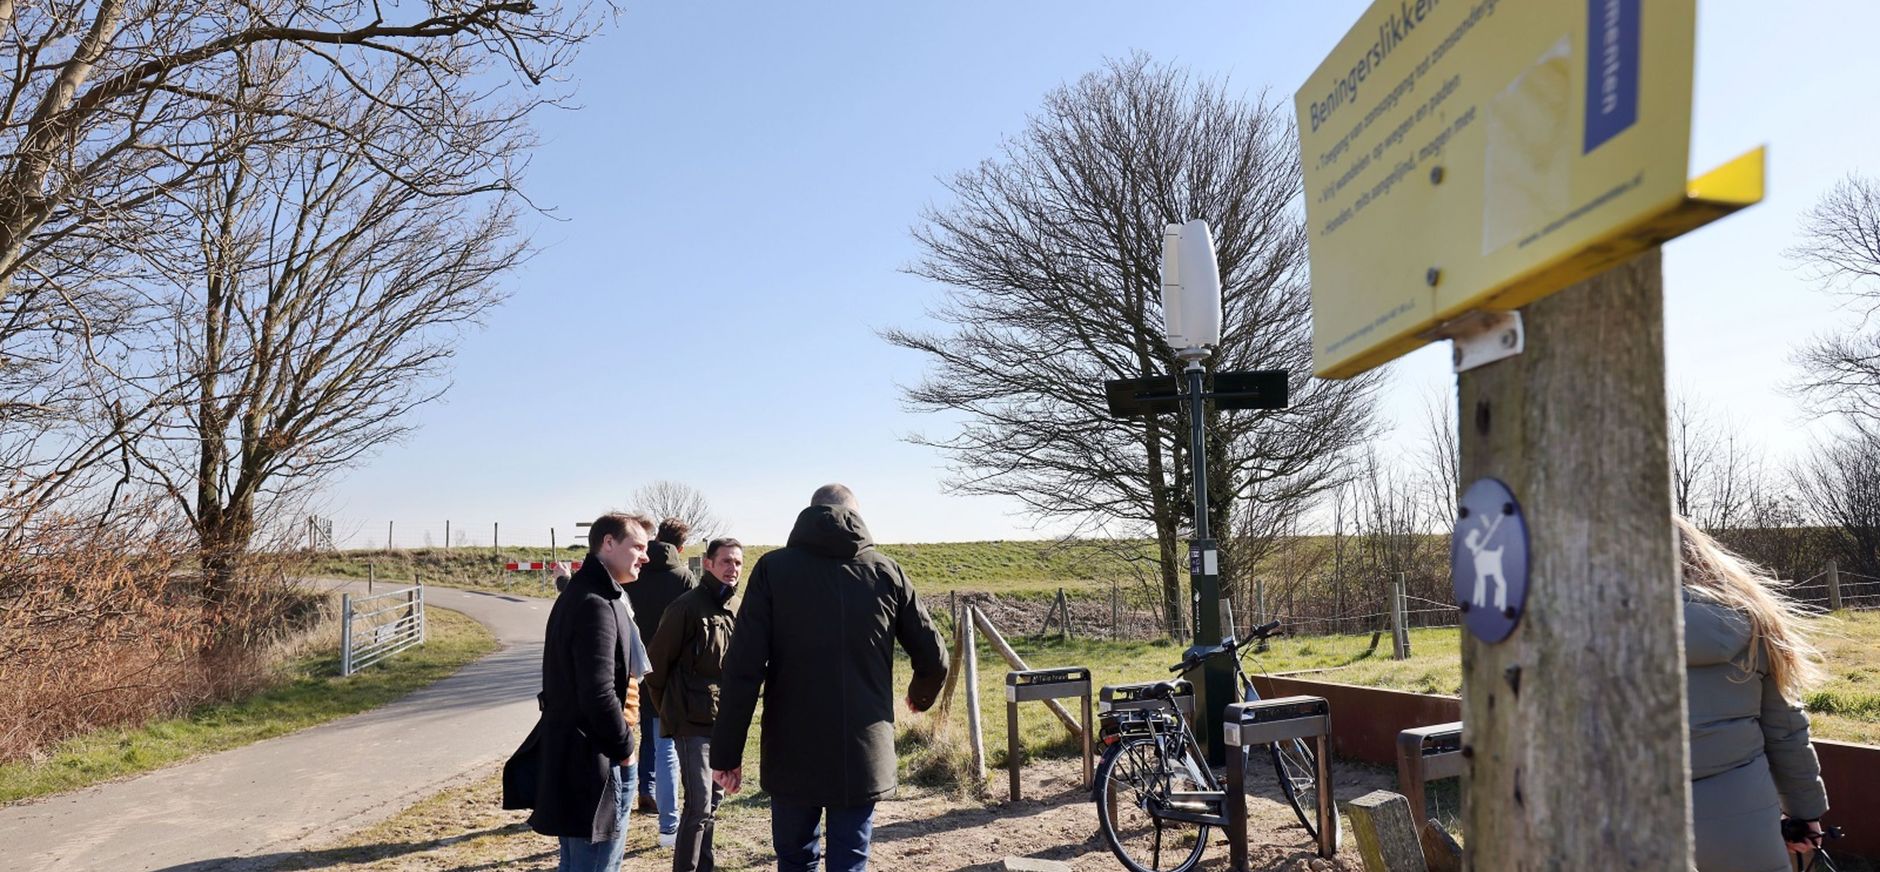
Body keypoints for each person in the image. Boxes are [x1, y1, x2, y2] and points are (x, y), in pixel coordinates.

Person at [710, 484, 948, 872]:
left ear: (811, 513)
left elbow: (742, 669)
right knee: (850, 861)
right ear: (857, 516)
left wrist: (726, 754)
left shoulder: (772, 569)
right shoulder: (886, 572)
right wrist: (919, 697)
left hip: (791, 748)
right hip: (862, 748)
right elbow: (934, 657)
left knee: (795, 859)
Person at [1678, 517, 1831, 871]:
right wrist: (1806, 814)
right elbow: (1786, 730)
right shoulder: (1751, 623)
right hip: (1741, 821)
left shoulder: (1577, 629)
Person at [510, 511, 656, 872]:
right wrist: (625, 750)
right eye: (637, 546)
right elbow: (599, 693)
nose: (645, 556)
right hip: (595, 763)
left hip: (578, 757)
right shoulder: (596, 604)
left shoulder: (584, 593)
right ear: (608, 543)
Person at [646, 537, 745, 872]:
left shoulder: (733, 608)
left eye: (738, 563)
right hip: (690, 721)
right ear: (708, 564)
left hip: (721, 720)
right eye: (726, 562)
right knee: (699, 805)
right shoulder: (686, 607)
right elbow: (655, 666)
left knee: (713, 804)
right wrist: (669, 710)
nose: (733, 569)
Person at [625, 517, 696, 845]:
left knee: (626, 737)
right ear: (680, 547)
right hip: (667, 671)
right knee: (663, 740)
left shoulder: (633, 569)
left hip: (629, 666)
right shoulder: (683, 577)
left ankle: (640, 790)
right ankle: (669, 824)